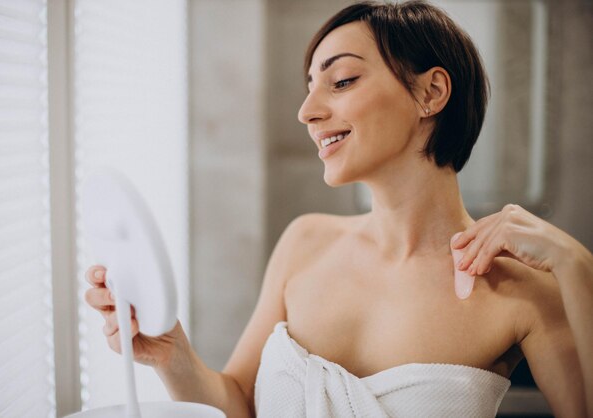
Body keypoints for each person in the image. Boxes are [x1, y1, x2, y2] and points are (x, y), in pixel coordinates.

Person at [85, 1, 593, 417]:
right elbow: (238, 404)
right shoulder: (305, 243)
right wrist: (173, 355)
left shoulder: (525, 292)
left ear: (431, 92)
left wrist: (577, 266)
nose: (307, 112)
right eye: (310, 86)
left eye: (342, 81)